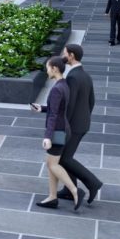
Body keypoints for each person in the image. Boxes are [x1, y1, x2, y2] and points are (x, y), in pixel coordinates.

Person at [30, 56, 83, 211]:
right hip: (63, 129)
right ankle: (52, 197)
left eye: (47, 67)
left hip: (58, 131)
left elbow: (54, 116)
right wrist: (42, 108)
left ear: (54, 68)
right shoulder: (63, 84)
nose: (46, 71)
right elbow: (57, 110)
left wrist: (47, 136)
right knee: (51, 164)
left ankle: (75, 191)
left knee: (52, 164)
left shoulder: (56, 89)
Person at [55, 44, 103, 204]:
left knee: (63, 158)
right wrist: (85, 118)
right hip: (82, 123)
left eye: (65, 52)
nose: (63, 54)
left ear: (71, 55)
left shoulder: (73, 77)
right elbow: (92, 101)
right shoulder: (85, 75)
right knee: (65, 157)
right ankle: (69, 190)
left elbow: (70, 104)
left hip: (73, 126)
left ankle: (93, 183)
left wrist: (62, 125)